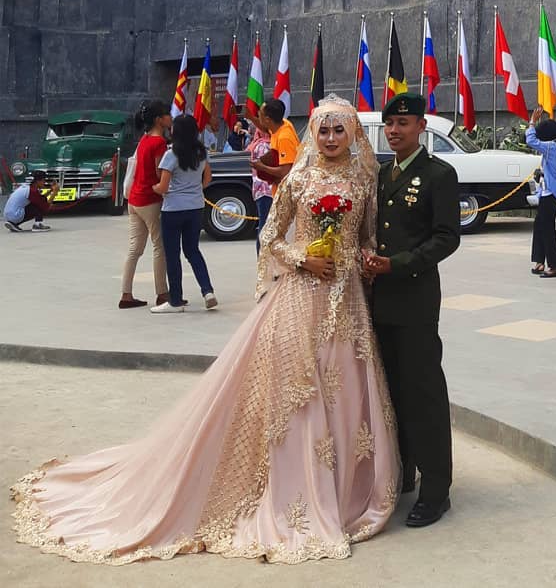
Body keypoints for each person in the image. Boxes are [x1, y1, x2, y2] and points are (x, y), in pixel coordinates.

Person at [12, 94, 399, 563]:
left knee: (344, 390)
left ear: (353, 134)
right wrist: (303, 258)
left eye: (340, 130)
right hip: (300, 297)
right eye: (324, 130)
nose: (332, 139)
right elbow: (272, 239)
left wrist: (360, 260)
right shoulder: (299, 177)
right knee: (297, 393)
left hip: (347, 304)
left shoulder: (364, 179)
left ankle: (343, 491)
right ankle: (293, 489)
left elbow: (367, 237)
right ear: (312, 133)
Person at [362, 93, 460, 529]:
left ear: (422, 126)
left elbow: (446, 238)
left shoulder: (439, 174)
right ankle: (403, 473)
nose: (395, 130)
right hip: (380, 302)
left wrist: (396, 265)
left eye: (404, 123)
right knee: (392, 393)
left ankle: (436, 490)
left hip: (416, 301)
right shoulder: (382, 174)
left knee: (424, 395)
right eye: (390, 124)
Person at [150, 114, 216, 313]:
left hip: (173, 209)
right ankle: (208, 291)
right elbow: (207, 179)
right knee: (193, 251)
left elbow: (163, 186)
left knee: (172, 255)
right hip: (196, 207)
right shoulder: (202, 152)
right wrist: (194, 189)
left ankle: (176, 301)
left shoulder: (171, 155)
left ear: (175, 132)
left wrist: (153, 187)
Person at [119, 100, 172, 308]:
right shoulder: (159, 143)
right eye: (167, 114)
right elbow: (160, 173)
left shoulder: (144, 139)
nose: (170, 117)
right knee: (160, 247)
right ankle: (162, 292)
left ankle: (126, 293)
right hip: (151, 199)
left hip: (134, 198)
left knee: (134, 249)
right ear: (159, 119)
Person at [525, 107, 556, 278]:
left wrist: (532, 121)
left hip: (550, 192)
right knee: (540, 225)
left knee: (547, 229)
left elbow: (531, 140)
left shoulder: (552, 147)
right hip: (549, 191)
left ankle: (555, 266)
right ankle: (539, 261)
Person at [253, 98, 300, 197]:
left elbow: (286, 171)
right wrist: (250, 117)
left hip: (286, 195)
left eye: (260, 113)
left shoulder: (284, 138)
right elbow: (265, 128)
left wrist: (262, 167)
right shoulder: (282, 124)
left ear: (268, 119)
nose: (257, 114)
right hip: (278, 191)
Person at [245, 119, 276, 253]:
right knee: (265, 226)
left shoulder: (258, 144)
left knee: (265, 225)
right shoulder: (264, 146)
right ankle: (262, 257)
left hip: (262, 191)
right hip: (266, 191)